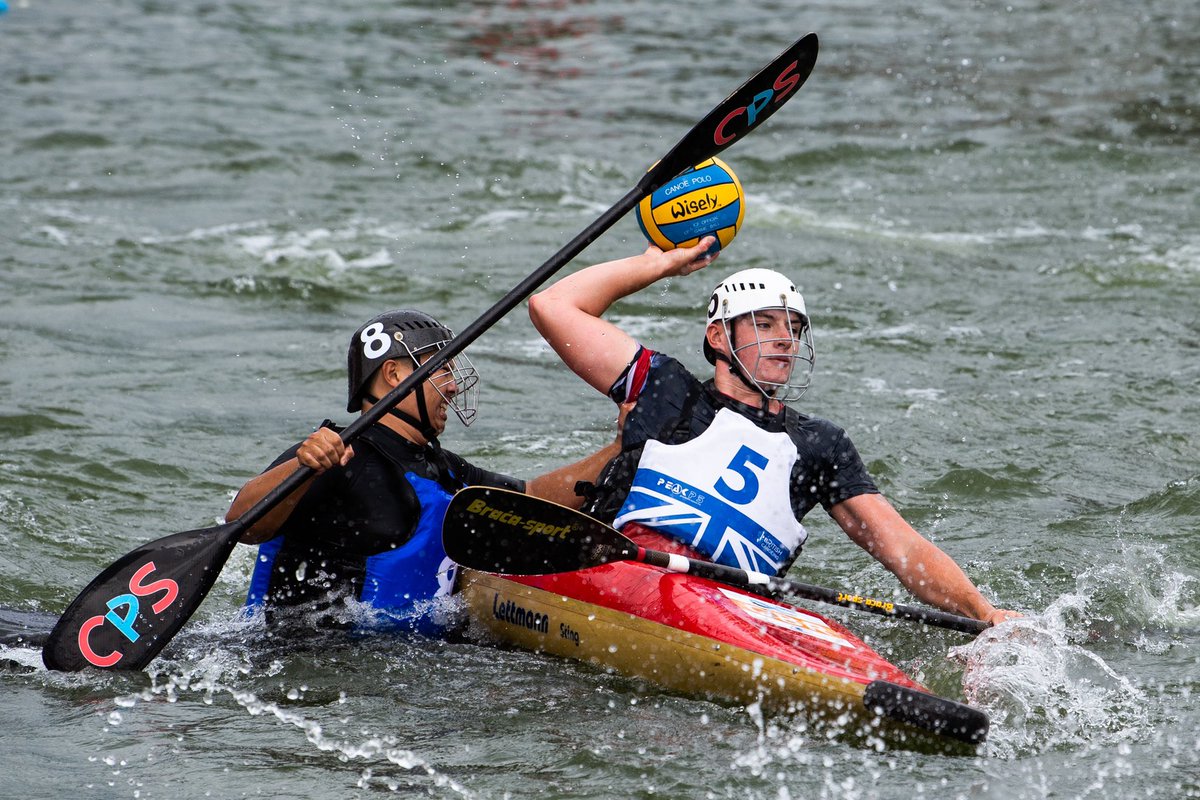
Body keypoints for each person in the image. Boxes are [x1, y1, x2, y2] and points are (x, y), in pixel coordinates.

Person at [528, 239, 1020, 627]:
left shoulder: (821, 445)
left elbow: (904, 549)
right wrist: (659, 266)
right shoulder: (666, 389)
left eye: (792, 329)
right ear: (719, 337)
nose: (784, 339)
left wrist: (984, 612)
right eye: (764, 324)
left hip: (731, 609)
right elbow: (553, 305)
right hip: (620, 574)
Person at [226, 308, 621, 632]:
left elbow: (532, 499)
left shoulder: (444, 469)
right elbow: (242, 524)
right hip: (314, 666)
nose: (452, 386)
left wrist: (622, 447)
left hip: (399, 667)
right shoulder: (337, 454)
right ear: (394, 374)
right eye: (442, 369)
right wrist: (304, 466)